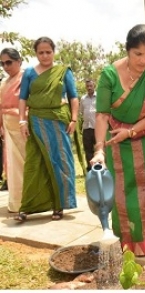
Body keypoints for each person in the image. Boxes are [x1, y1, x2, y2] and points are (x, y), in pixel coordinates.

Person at [90, 24, 145, 256]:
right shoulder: (109, 74)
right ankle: (123, 239)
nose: (143, 60)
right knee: (121, 192)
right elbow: (102, 114)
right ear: (127, 50)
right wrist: (99, 149)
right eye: (138, 54)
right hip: (115, 140)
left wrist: (131, 131)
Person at [14, 36, 79, 222]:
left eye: (48, 52)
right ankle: (27, 207)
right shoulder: (28, 73)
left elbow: (74, 97)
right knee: (34, 164)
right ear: (36, 53)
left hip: (59, 121)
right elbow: (23, 99)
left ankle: (60, 206)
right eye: (41, 52)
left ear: (53, 52)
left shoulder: (63, 72)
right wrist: (22, 121)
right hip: (36, 122)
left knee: (61, 161)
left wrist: (74, 119)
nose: (44, 56)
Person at [0, 48, 26, 211]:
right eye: (2, 63)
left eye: (9, 62)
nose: (5, 66)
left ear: (19, 61)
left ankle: (28, 201)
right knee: (11, 165)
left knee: (24, 163)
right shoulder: (3, 82)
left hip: (22, 125)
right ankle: (15, 202)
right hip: (7, 126)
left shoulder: (26, 78)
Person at [79, 79, 96, 171]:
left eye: (91, 86)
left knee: (99, 149)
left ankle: (101, 167)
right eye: (87, 86)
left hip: (97, 128)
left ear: (94, 86)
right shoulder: (83, 98)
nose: (89, 88)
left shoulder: (99, 97)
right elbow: (81, 112)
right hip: (86, 128)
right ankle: (90, 169)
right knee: (88, 150)